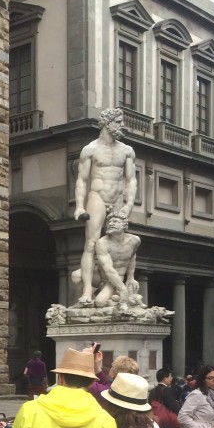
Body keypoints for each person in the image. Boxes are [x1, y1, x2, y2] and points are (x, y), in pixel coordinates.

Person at [74, 108, 137, 305]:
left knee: (119, 242)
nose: (121, 125)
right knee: (91, 243)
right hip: (97, 197)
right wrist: (79, 207)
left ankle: (122, 285)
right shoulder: (90, 150)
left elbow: (131, 180)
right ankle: (86, 291)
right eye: (118, 122)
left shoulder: (126, 151)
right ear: (106, 123)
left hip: (117, 198)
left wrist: (128, 205)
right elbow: (82, 180)